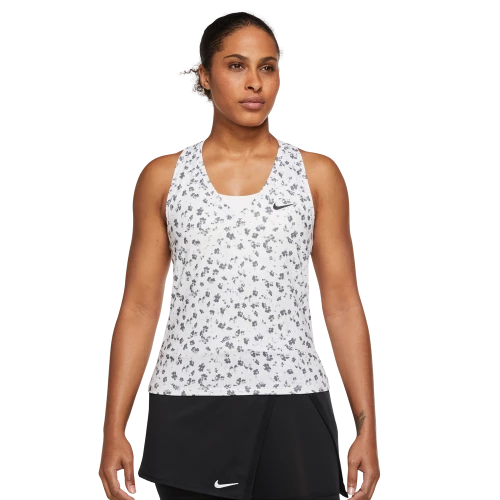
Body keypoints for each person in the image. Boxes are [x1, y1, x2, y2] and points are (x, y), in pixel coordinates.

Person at [98, 11, 381, 500]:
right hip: (187, 404)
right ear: (205, 76)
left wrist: (366, 425)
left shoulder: (315, 175)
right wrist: (114, 428)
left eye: (267, 67)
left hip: (292, 399)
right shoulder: (165, 178)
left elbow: (340, 302)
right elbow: (141, 306)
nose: (255, 83)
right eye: (236, 65)